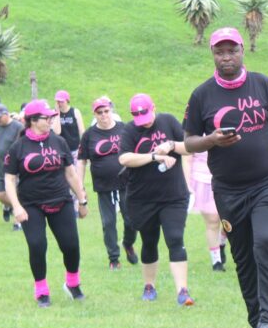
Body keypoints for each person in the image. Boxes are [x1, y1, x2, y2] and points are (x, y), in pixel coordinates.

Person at [184, 27, 268, 328]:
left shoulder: (262, 84)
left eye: (232, 50)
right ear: (213, 54)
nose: (226, 57)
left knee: (265, 241)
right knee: (242, 256)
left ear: (242, 51)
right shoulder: (202, 95)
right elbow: (190, 142)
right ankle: (256, 320)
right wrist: (212, 140)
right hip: (228, 189)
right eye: (220, 51)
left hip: (266, 183)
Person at [4, 100, 89, 307]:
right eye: (47, 117)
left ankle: (72, 283)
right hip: (31, 204)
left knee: (71, 245)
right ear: (33, 120)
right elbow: (9, 179)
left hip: (61, 201)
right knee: (37, 245)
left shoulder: (58, 142)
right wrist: (16, 206)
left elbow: (70, 173)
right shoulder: (18, 147)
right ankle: (41, 291)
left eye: (52, 116)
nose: (51, 120)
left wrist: (82, 199)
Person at [119, 93, 194, 307]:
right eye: (139, 117)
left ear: (154, 108)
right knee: (149, 241)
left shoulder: (168, 121)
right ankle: (149, 286)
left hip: (173, 196)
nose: (145, 121)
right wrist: (154, 156)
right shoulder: (130, 130)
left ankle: (183, 291)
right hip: (143, 198)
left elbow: (188, 147)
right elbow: (124, 158)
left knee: (175, 238)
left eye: (148, 115)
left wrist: (170, 145)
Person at [77, 97, 138, 269]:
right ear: (94, 114)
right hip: (104, 186)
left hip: (127, 182)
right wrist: (80, 186)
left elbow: (136, 153)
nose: (103, 115)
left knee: (131, 220)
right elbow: (81, 161)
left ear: (111, 110)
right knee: (108, 223)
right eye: (99, 112)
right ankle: (114, 259)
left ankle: (128, 243)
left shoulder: (124, 129)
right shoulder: (89, 135)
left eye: (106, 111)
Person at [183, 151, 226, 271]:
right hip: (202, 179)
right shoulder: (193, 132)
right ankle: (216, 261)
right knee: (213, 221)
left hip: (227, 178)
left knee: (231, 221)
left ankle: (222, 241)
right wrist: (187, 184)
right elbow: (187, 158)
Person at [0, 103, 24, 230]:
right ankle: (18, 206)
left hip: (14, 169)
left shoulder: (18, 127)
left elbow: (21, 148)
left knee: (15, 192)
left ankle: (18, 223)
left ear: (6, 114)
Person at [55, 90, 85, 159]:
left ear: (67, 101)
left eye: (62, 102)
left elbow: (82, 131)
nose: (60, 104)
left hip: (75, 149)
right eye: (58, 102)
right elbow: (56, 132)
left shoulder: (75, 112)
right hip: (61, 149)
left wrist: (83, 146)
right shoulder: (55, 114)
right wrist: (57, 113)